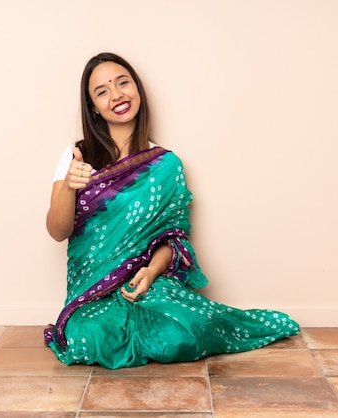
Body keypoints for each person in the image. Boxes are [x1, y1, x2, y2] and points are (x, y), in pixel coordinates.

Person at [44, 52, 299, 369]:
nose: (117, 95)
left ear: (137, 89)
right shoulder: (76, 157)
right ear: (93, 107)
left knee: (185, 332)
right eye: (102, 91)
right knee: (89, 337)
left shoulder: (165, 164)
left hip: (147, 282)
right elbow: (58, 231)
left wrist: (150, 273)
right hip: (91, 293)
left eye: (123, 83)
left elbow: (173, 239)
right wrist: (69, 185)